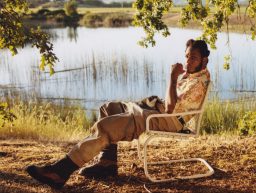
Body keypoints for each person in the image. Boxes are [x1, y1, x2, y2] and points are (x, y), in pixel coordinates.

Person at [25, 39, 211, 189]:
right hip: (159, 111)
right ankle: (107, 164)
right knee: (109, 108)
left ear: (204, 60)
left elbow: (171, 109)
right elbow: (171, 102)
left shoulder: (198, 82)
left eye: (193, 57)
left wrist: (171, 78)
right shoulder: (193, 75)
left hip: (168, 120)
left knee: (105, 127)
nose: (188, 61)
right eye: (187, 56)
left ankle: (60, 171)